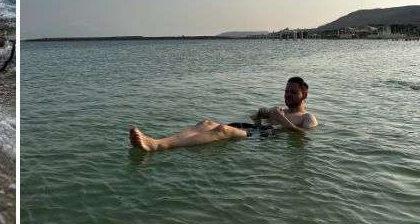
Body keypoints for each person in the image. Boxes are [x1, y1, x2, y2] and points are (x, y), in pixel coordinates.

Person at [129, 76, 319, 152]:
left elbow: (304, 136)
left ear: (304, 95)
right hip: (253, 129)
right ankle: (157, 139)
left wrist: (282, 120)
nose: (288, 95)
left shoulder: (307, 117)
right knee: (206, 122)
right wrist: (260, 114)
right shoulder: (280, 110)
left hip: (261, 136)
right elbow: (254, 119)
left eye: (293, 92)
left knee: (222, 129)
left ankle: (157, 146)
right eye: (286, 91)